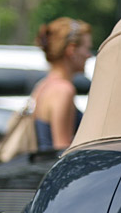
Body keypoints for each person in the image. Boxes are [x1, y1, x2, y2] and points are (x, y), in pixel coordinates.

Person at [32, 17, 93, 150]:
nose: (88, 55)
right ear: (71, 49)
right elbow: (62, 149)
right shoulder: (63, 90)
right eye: (86, 48)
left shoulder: (43, 85)